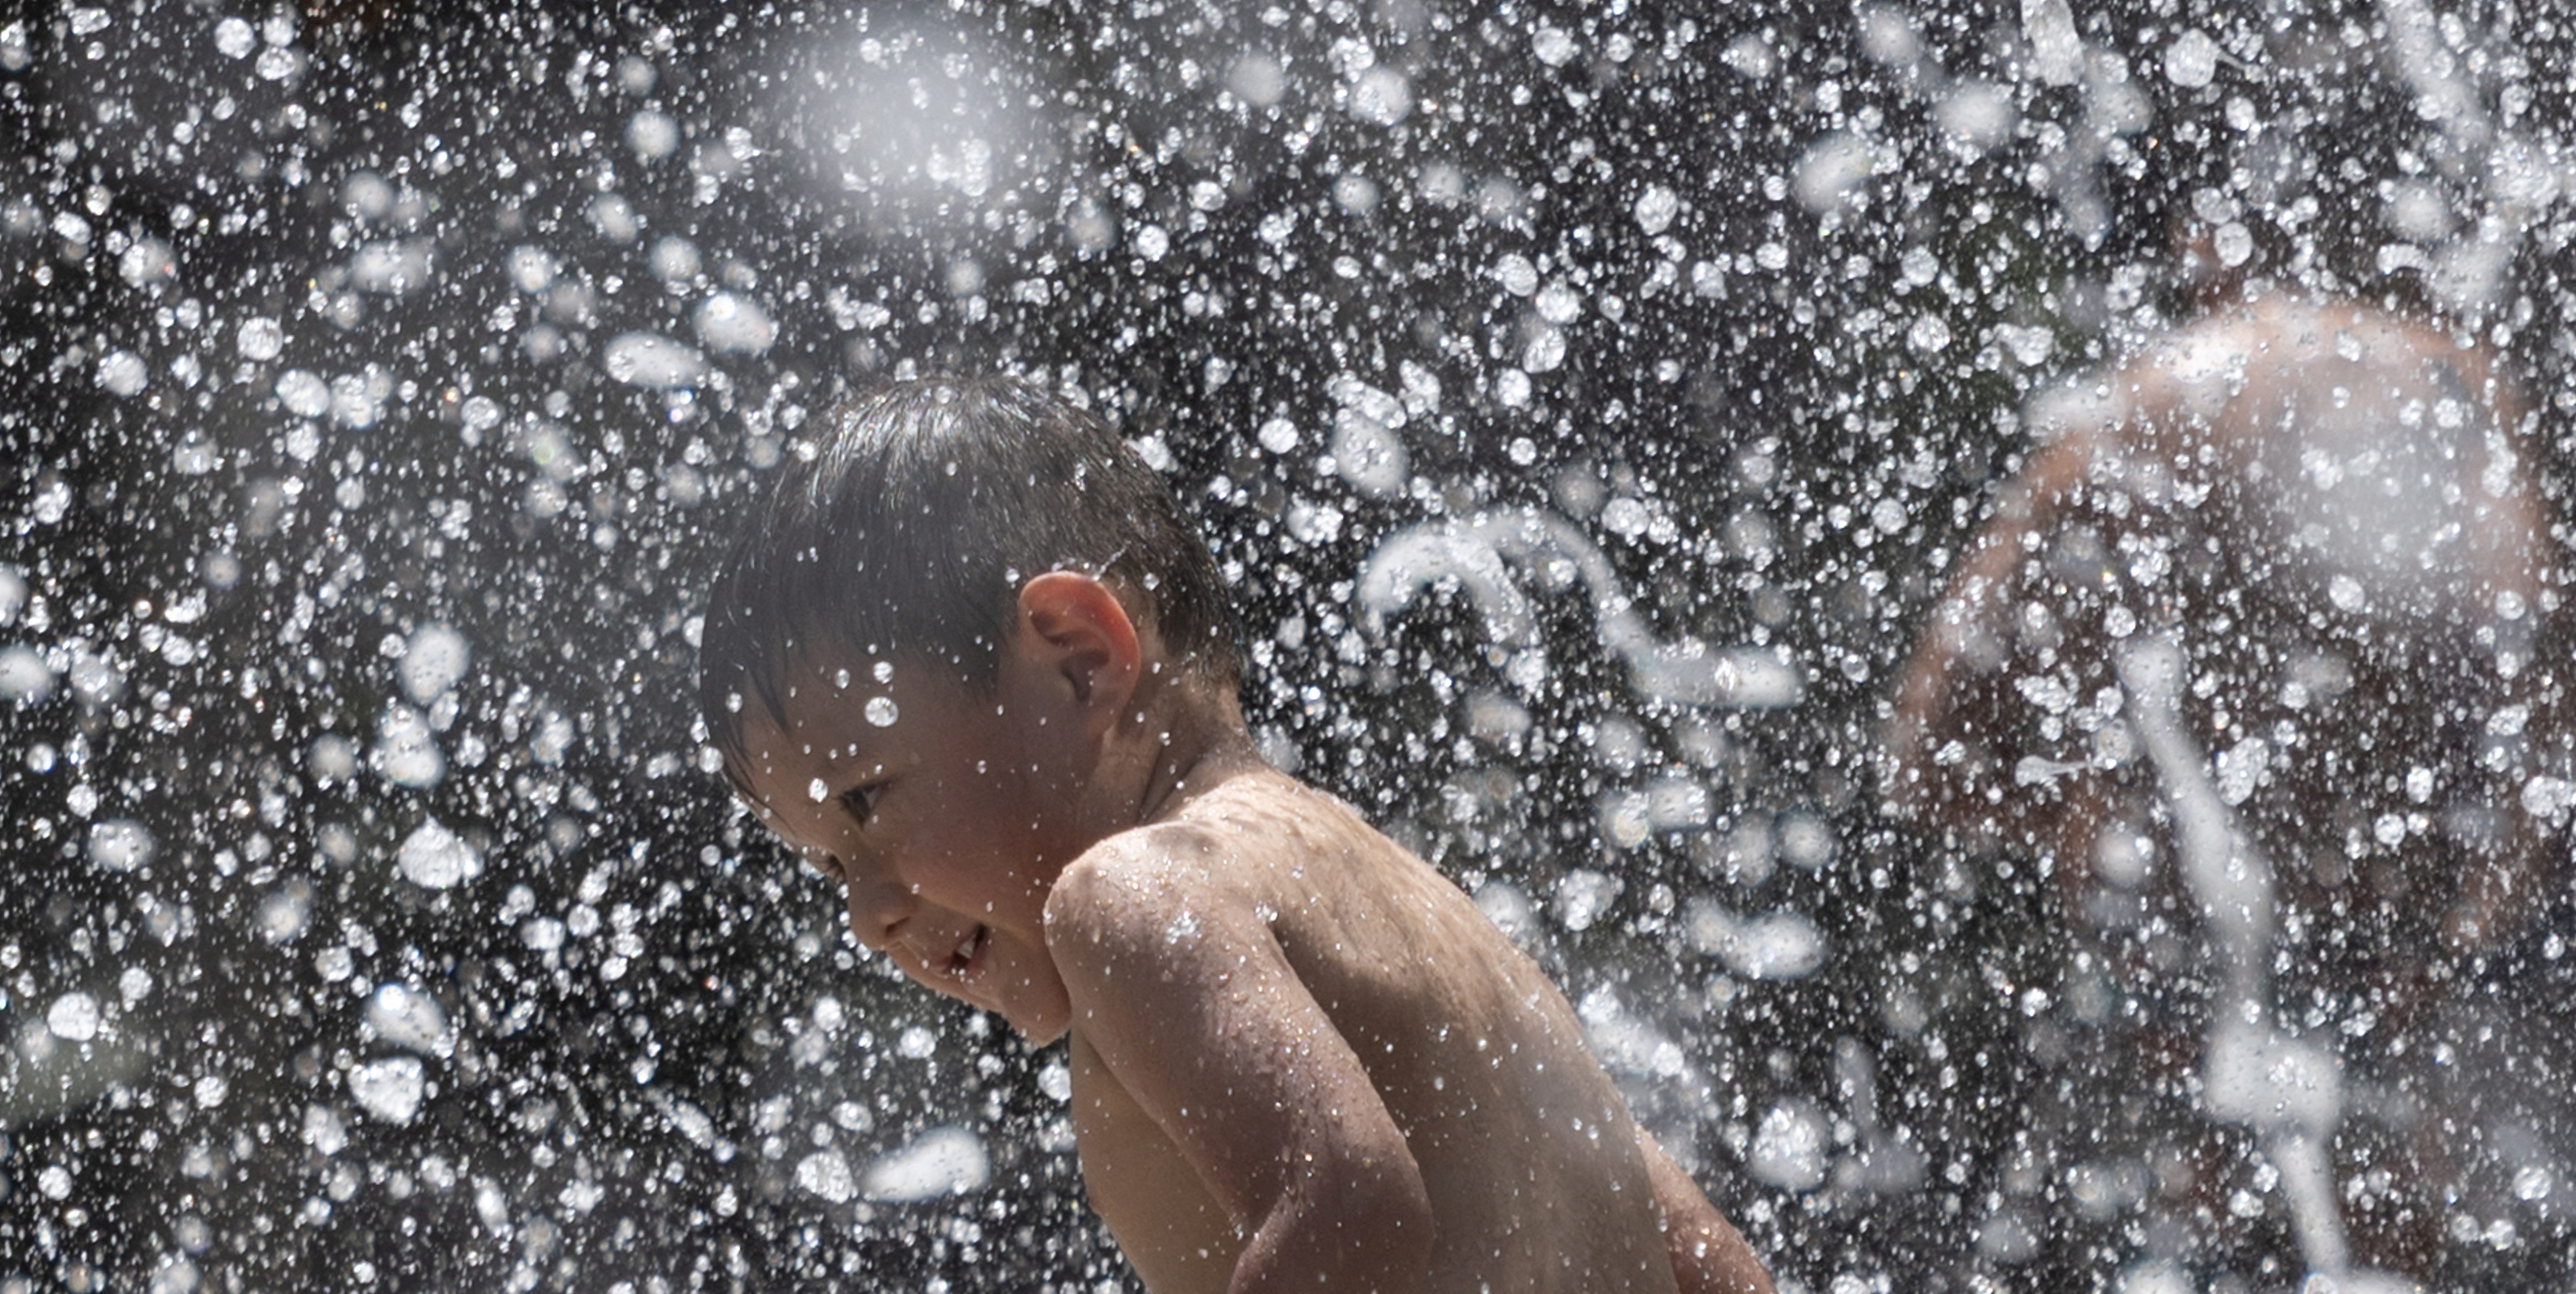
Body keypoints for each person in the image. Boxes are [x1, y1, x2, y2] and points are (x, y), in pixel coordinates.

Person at [699, 374, 1772, 1294]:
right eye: (831, 864)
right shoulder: (1422, 916)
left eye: (870, 800)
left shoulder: (1130, 894)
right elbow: (1714, 1265)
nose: (868, 910)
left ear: (1079, 659)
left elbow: (1351, 1206)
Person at [1886, 273, 2568, 1272]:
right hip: (2399, 979)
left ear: (2198, 238)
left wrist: (2102, 810)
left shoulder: (2145, 408)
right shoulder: (2457, 404)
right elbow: (2535, 748)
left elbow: (1930, 754)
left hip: (2174, 983)